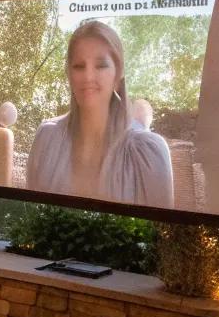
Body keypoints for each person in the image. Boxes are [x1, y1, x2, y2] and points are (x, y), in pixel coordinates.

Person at [25, 19, 174, 209]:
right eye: (79, 66)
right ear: (69, 74)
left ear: (118, 74)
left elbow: (160, 235)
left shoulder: (148, 152)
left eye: (101, 65)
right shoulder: (46, 138)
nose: (88, 76)